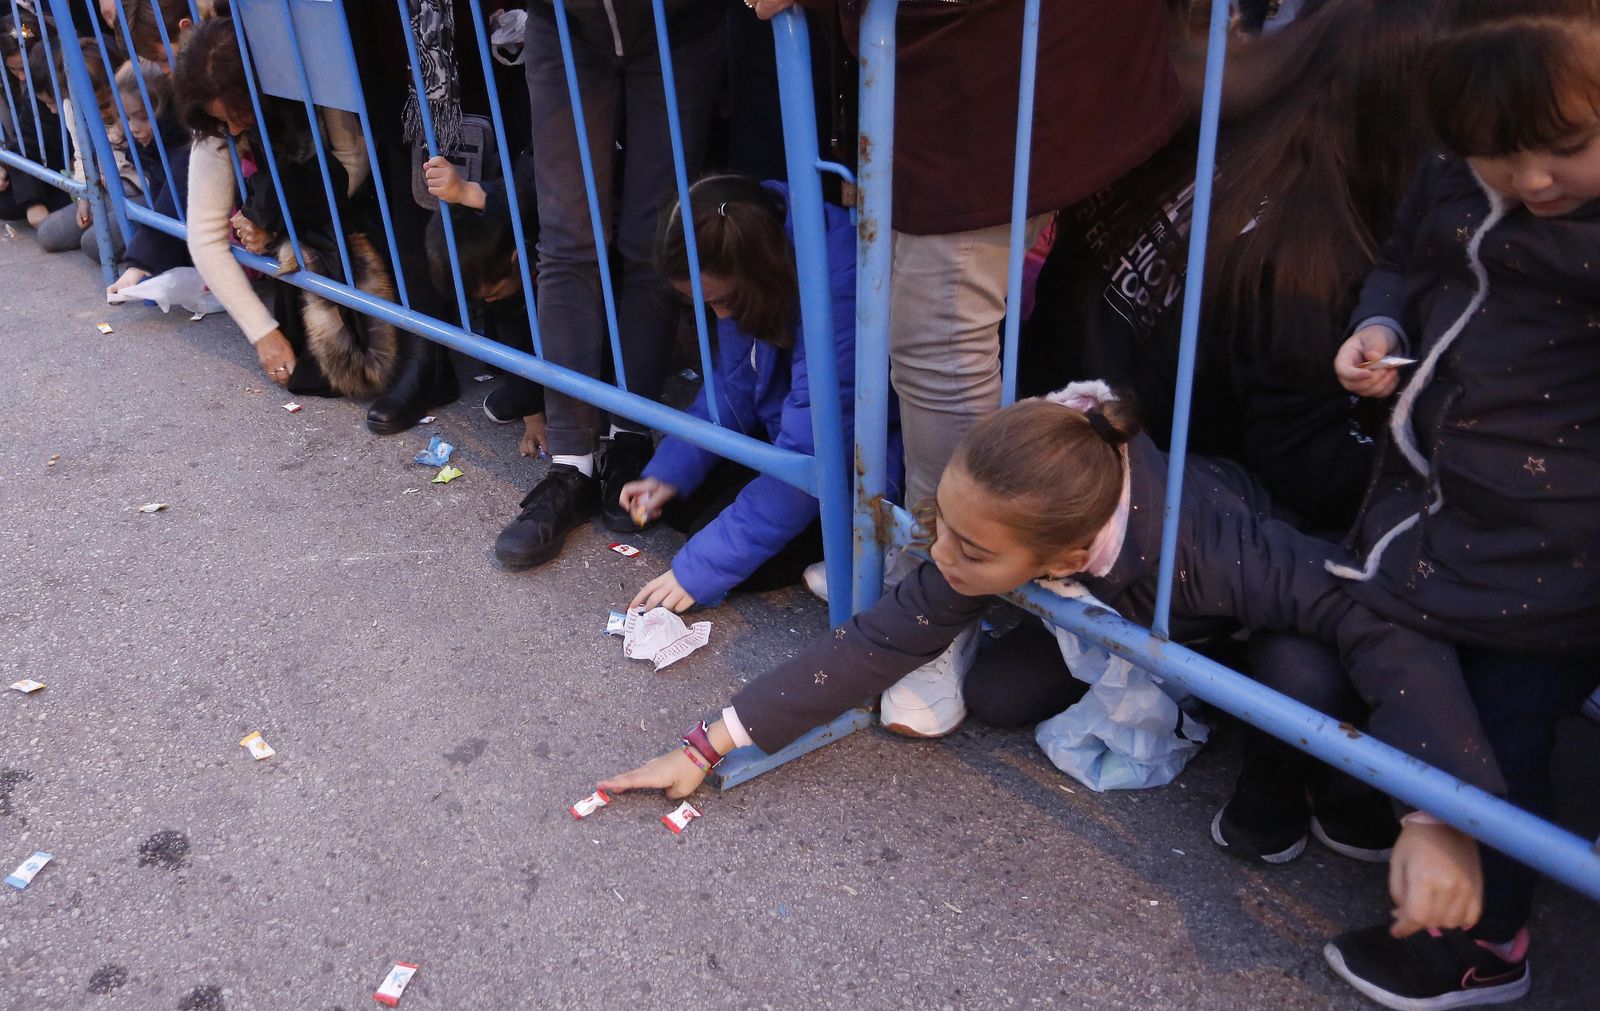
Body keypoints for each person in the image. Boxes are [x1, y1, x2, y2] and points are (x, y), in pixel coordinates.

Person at [598, 384, 1502, 955]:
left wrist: (1438, 811)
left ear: (1067, 553)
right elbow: (873, 643)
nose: (939, 555)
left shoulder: (1220, 550)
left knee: (1301, 674)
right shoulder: (1013, 497)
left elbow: (1377, 618)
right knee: (994, 694)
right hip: (1127, 615)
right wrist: (705, 745)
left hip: (1236, 621)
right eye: (943, 526)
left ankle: (1298, 791)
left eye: (969, 548)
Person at [1304, 6, 1600, 1007]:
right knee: (1410, 674)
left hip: (1554, 544)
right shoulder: (1449, 175)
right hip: (1423, 500)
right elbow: (1404, 257)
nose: (1528, 182)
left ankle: (1486, 943)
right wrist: (1377, 319)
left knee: (1505, 737)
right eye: (1493, 156)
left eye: (1565, 149)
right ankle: (1414, 825)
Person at [1022, 0, 1441, 531]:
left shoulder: (1189, 117)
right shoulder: (1311, 258)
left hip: (1040, 407)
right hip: (1122, 499)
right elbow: (1305, 472)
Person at [496, 0, 724, 568]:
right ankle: (572, 465)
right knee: (568, 242)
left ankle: (629, 436)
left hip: (681, 26)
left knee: (653, 245)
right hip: (567, 24)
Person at [616, 174, 899, 610]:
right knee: (681, 507)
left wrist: (700, 569)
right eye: (706, 304)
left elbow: (815, 451)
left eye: (722, 300)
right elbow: (733, 386)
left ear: (758, 274)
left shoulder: (838, 292)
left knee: (716, 551)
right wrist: (668, 471)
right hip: (794, 435)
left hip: (866, 464)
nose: (720, 314)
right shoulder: (751, 258)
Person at [175, 17, 404, 400]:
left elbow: (352, 165)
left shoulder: (305, 82)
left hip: (351, 206)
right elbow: (204, 238)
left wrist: (278, 222)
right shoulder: (213, 128)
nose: (231, 129)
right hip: (306, 217)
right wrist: (263, 333)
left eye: (239, 114)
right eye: (219, 119)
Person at [423, 151, 548, 459]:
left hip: (593, 311)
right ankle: (536, 396)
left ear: (516, 258)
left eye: (493, 293)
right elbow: (513, 339)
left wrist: (466, 191)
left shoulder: (536, 215)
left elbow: (526, 201)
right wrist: (532, 416)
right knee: (511, 329)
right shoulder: (493, 275)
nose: (490, 300)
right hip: (527, 310)